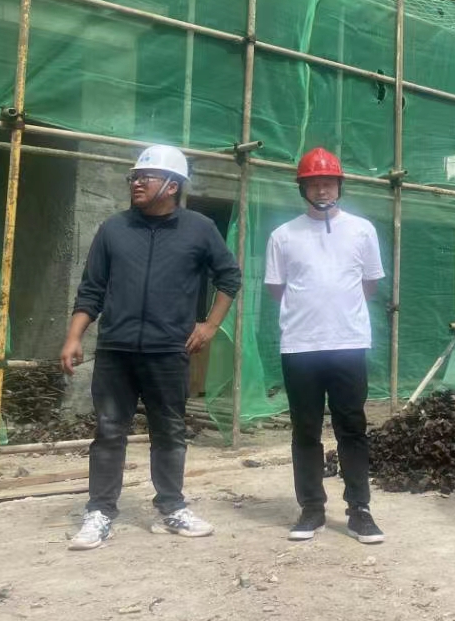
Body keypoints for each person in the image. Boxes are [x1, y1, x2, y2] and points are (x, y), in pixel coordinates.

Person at [60, 145, 241, 551]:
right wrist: (74, 337)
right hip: (116, 351)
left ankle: (172, 507)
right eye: (134, 177)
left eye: (146, 177)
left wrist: (210, 325)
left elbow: (229, 277)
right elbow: (91, 289)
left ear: (172, 186)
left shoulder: (199, 229)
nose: (137, 183)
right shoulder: (113, 229)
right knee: (109, 431)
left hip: (168, 352)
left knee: (169, 430)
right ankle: (100, 512)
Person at [265, 148, 386, 544]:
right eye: (314, 183)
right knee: (305, 429)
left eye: (328, 182)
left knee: (352, 426)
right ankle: (312, 508)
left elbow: (369, 284)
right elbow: (277, 289)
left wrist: (338, 313)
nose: (322, 189)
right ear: (303, 188)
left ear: (339, 186)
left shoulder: (362, 231)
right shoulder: (283, 236)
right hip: (300, 346)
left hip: (348, 343)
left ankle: (359, 509)